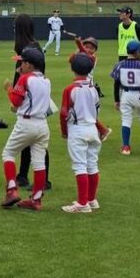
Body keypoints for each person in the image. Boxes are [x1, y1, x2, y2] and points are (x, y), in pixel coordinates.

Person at [0, 47, 52, 211]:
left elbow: (16, 102)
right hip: (42, 125)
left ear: (29, 64)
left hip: (26, 124)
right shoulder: (46, 80)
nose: (20, 65)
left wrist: (9, 88)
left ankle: (11, 190)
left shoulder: (25, 78)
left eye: (22, 62)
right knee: (39, 163)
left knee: (8, 154)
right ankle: (36, 199)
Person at [59, 53, 103, 214]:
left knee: (80, 166)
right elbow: (97, 110)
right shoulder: (93, 88)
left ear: (72, 68)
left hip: (77, 129)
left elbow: (64, 113)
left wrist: (64, 131)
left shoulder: (70, 89)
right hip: (92, 128)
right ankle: (91, 199)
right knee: (92, 164)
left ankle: (83, 203)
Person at [11, 14, 44, 190]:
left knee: (36, 139)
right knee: (30, 138)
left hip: (31, 98)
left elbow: (24, 75)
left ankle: (43, 179)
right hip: (31, 95)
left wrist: (16, 95)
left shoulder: (29, 49)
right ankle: (23, 175)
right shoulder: (31, 46)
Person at [111, 40, 140, 156]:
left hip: (126, 95)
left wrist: (116, 100)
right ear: (137, 52)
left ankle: (126, 147)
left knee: (126, 119)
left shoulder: (119, 64)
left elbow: (116, 83)